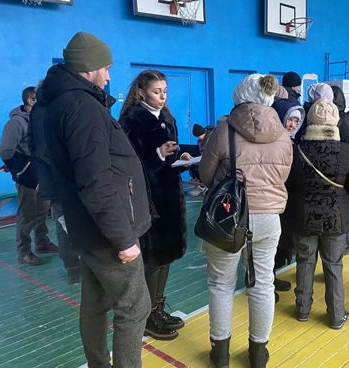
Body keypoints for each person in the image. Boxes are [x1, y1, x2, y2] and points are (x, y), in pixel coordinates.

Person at [41, 32, 152, 368]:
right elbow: (95, 181)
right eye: (105, 67)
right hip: (106, 231)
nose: (108, 75)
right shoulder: (82, 107)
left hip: (85, 227)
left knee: (95, 303)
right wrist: (123, 238)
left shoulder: (59, 102)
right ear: (89, 68)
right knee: (134, 306)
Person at [199, 74, 292, 368]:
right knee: (263, 284)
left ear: (239, 95)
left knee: (221, 284)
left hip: (229, 217)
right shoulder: (283, 133)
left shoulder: (226, 129)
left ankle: (220, 353)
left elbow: (203, 174)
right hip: (269, 218)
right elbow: (284, 175)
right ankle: (258, 353)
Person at [119, 70, 188, 341]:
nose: (162, 96)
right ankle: (147, 316)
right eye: (157, 91)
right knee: (152, 260)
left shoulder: (167, 117)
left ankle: (158, 308)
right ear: (141, 92)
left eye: (165, 91)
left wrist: (181, 155)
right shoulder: (132, 120)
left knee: (167, 256)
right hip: (148, 200)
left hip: (170, 197)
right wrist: (159, 155)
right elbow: (129, 164)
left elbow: (171, 149)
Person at [287, 98, 349, 329]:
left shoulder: (297, 150)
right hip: (336, 217)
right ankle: (336, 316)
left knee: (305, 262)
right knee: (334, 265)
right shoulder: (346, 151)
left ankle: (302, 310)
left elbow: (290, 183)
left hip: (304, 215)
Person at [0, 86, 57, 266]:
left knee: (42, 210)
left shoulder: (41, 118)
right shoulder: (16, 123)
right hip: (27, 175)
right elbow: (5, 150)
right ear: (31, 101)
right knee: (27, 214)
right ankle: (23, 252)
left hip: (43, 173)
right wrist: (14, 166)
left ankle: (42, 243)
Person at [29, 82, 81, 284]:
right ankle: (76, 269)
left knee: (63, 224)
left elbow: (34, 145)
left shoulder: (37, 110)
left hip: (53, 180)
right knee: (69, 225)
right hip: (64, 179)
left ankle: (73, 269)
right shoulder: (55, 109)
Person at [271, 97, 305, 299]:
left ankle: (271, 278)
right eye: (289, 119)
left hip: (286, 201)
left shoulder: (292, 143)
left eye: (295, 121)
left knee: (280, 243)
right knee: (268, 246)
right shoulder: (273, 143)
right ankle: (263, 284)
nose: (292, 124)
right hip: (273, 200)